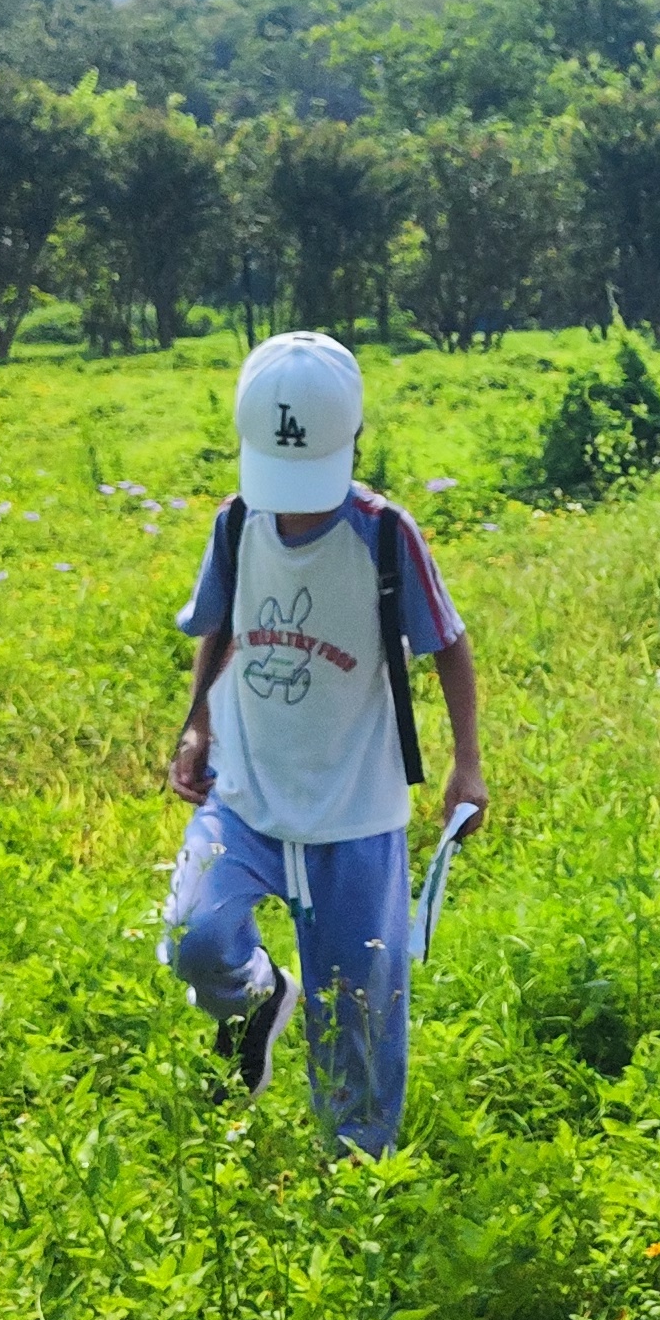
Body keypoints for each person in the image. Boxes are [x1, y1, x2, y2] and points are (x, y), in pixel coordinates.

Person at [163, 330, 488, 1156]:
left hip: (354, 809)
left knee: (359, 1009)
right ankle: (259, 998)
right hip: (246, 795)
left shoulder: (383, 535)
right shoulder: (237, 523)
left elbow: (447, 642)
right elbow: (220, 625)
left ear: (352, 445)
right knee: (195, 938)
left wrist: (468, 762)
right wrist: (197, 721)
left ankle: (354, 1177)